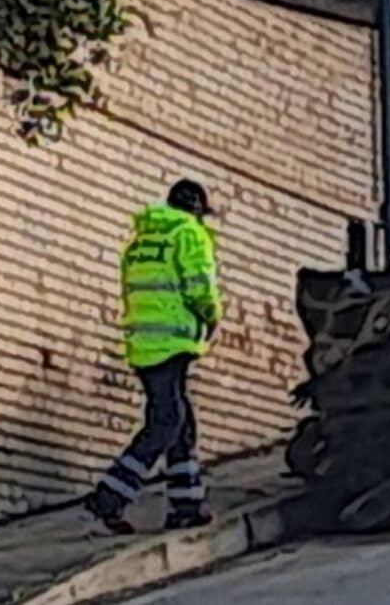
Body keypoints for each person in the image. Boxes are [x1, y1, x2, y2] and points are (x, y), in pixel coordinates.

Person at [85, 180, 224, 533]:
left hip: (144, 342)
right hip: (173, 340)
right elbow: (199, 286)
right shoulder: (189, 233)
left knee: (179, 420)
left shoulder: (141, 240)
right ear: (196, 210)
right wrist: (211, 316)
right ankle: (108, 499)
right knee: (166, 422)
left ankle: (187, 506)